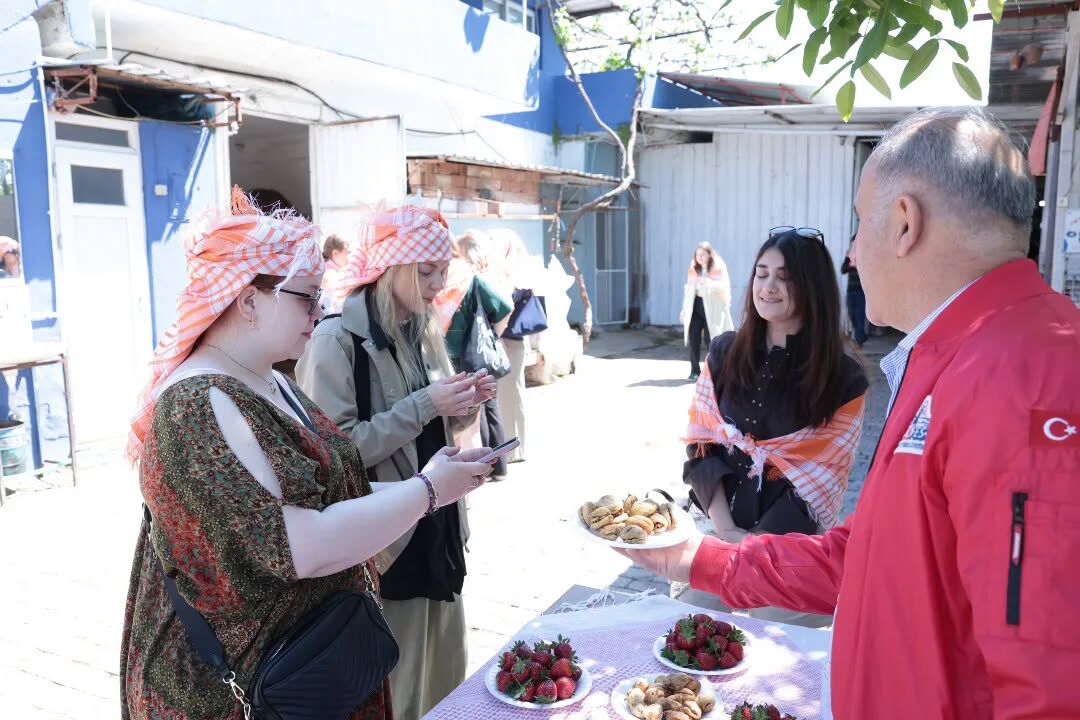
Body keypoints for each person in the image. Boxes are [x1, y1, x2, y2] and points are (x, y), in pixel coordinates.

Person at [619, 107, 1080, 719]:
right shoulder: (961, 353)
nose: (855, 253)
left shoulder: (1026, 379)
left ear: (905, 222)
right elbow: (870, 555)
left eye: (860, 223)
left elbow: (1049, 685)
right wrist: (701, 559)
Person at [120, 189, 494, 720]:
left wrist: (434, 483)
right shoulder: (194, 406)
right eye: (307, 296)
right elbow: (305, 544)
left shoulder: (269, 379)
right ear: (248, 300)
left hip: (309, 663)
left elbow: (337, 494)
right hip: (250, 685)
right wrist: (427, 491)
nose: (319, 311)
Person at [296, 205, 497, 720]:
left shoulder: (422, 328)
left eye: (442, 271)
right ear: (390, 269)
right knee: (400, 691)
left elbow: (432, 425)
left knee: (449, 679)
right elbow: (336, 454)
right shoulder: (335, 341)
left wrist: (465, 401)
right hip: (387, 544)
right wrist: (429, 403)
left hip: (440, 528)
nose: (437, 284)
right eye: (425, 271)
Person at [680, 227, 868, 627]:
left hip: (790, 551)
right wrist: (727, 529)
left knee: (777, 664)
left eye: (783, 277)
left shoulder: (843, 378)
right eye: (761, 273)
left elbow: (820, 479)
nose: (767, 286)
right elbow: (703, 445)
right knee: (687, 644)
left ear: (812, 286)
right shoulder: (724, 352)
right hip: (717, 533)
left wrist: (753, 545)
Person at [433, 230, 513, 478]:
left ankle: (473, 470)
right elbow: (505, 307)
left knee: (462, 417)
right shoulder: (470, 277)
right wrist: (494, 335)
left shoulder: (435, 279)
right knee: (488, 407)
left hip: (448, 357)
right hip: (477, 355)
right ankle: (496, 467)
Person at [680, 242, 733, 380]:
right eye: (698, 255)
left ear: (710, 254)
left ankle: (713, 371)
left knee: (712, 340)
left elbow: (724, 287)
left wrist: (708, 283)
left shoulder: (718, 265)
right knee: (693, 339)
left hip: (712, 308)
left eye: (703, 254)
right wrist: (684, 310)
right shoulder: (694, 267)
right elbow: (688, 290)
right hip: (696, 306)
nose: (700, 257)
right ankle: (695, 371)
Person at [840, 236, 867, 346]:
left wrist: (856, 264)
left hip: (861, 292)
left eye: (855, 244)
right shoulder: (849, 257)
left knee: (860, 316)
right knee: (852, 315)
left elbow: (865, 270)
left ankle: (859, 340)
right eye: (852, 244)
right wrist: (848, 260)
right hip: (851, 290)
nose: (853, 247)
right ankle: (862, 336)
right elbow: (843, 270)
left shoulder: (864, 256)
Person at [321, 233, 350, 315]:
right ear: (335, 253)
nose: (348, 257)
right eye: (346, 253)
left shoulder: (325, 268)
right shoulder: (330, 274)